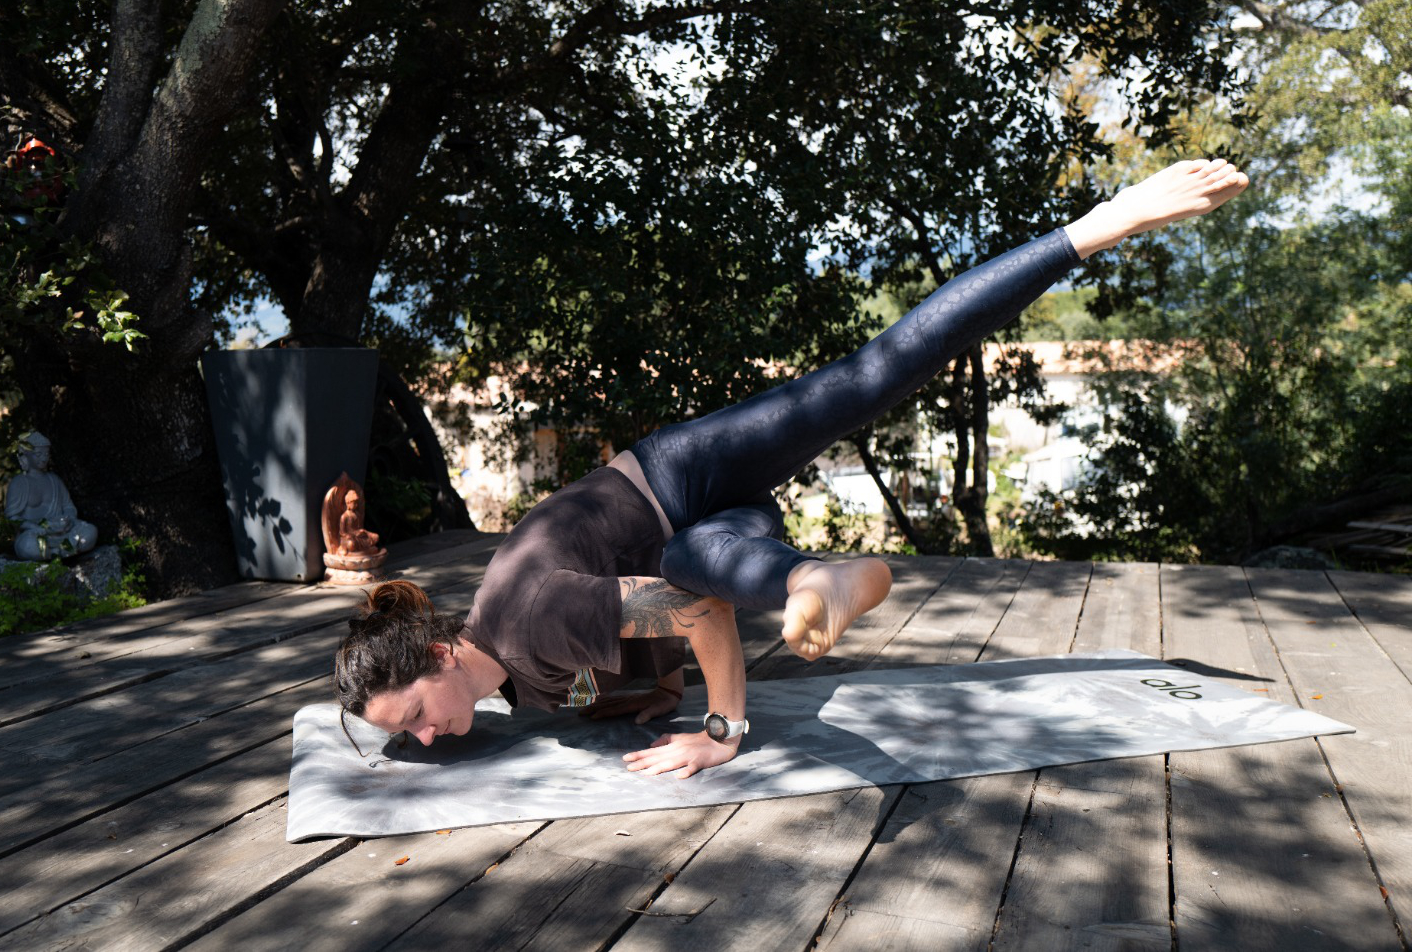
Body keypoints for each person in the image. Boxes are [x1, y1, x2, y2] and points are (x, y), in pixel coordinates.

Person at [334, 158, 1250, 778]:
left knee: (870, 376)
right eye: (409, 734)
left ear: (443, 652)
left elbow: (689, 612)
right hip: (703, 536)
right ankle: (818, 577)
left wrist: (721, 733)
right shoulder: (519, 678)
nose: (428, 732)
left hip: (679, 476)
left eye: (415, 709)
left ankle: (1104, 221)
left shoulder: (527, 623)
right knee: (694, 560)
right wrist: (648, 695)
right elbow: (637, 637)